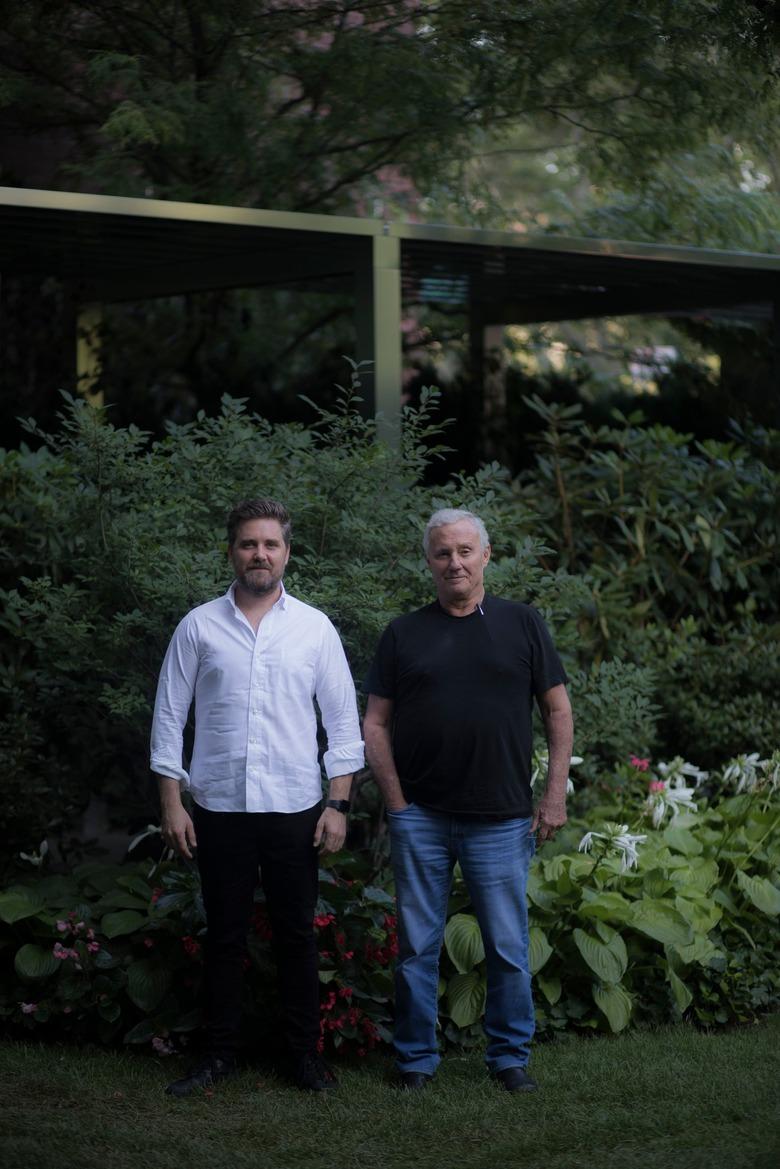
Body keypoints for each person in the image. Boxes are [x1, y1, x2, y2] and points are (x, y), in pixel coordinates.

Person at [151, 498, 364, 1095]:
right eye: (249, 543)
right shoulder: (198, 626)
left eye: (270, 544)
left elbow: (343, 726)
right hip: (218, 809)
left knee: (298, 934)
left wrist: (338, 804)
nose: (260, 554)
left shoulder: (314, 628)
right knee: (224, 934)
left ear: (287, 553)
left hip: (297, 809)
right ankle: (218, 1055)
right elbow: (169, 721)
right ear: (231, 551)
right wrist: (172, 803)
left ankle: (304, 1056)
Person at [363, 508, 573, 1093]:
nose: (453, 562)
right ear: (427, 561)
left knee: (507, 946)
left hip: (502, 821)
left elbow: (557, 711)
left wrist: (553, 795)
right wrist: (398, 804)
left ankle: (509, 1058)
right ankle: (415, 1061)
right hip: (421, 818)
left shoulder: (523, 623)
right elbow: (375, 724)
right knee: (415, 949)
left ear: (486, 555)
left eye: (464, 551)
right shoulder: (404, 632)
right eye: (441, 553)